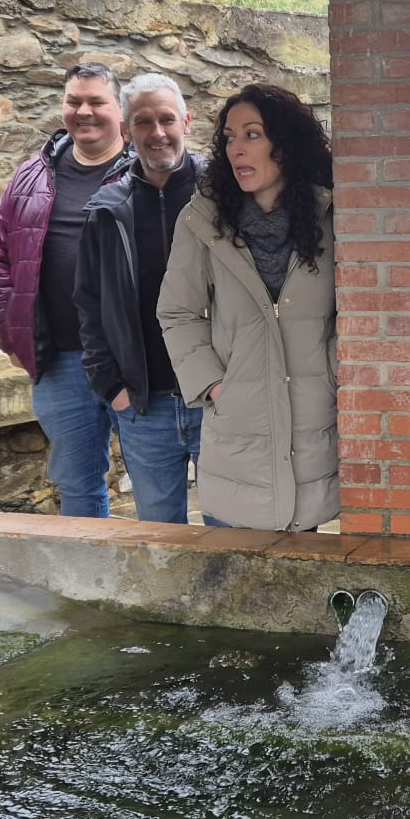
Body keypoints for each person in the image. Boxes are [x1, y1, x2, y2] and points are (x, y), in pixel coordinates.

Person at [157, 83, 338, 532]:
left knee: (302, 574)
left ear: (287, 144)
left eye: (252, 134)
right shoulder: (203, 219)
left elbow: (354, 309)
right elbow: (177, 312)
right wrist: (216, 385)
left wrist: (335, 371)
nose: (237, 148)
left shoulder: (333, 215)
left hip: (311, 423)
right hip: (238, 429)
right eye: (229, 138)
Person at [0, 62, 129, 516]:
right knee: (78, 485)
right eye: (73, 101)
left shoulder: (147, 172)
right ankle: (88, 584)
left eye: (96, 102)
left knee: (155, 479)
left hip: (136, 361)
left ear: (119, 110)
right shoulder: (32, 175)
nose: (83, 111)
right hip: (61, 361)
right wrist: (12, 334)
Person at [75, 73, 206, 523]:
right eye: (143, 122)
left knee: (235, 534)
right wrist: (112, 388)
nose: (157, 133)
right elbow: (89, 306)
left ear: (186, 122)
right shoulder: (106, 209)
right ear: (127, 132)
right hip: (144, 407)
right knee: (159, 539)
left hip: (218, 403)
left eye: (167, 119)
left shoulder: (223, 196)